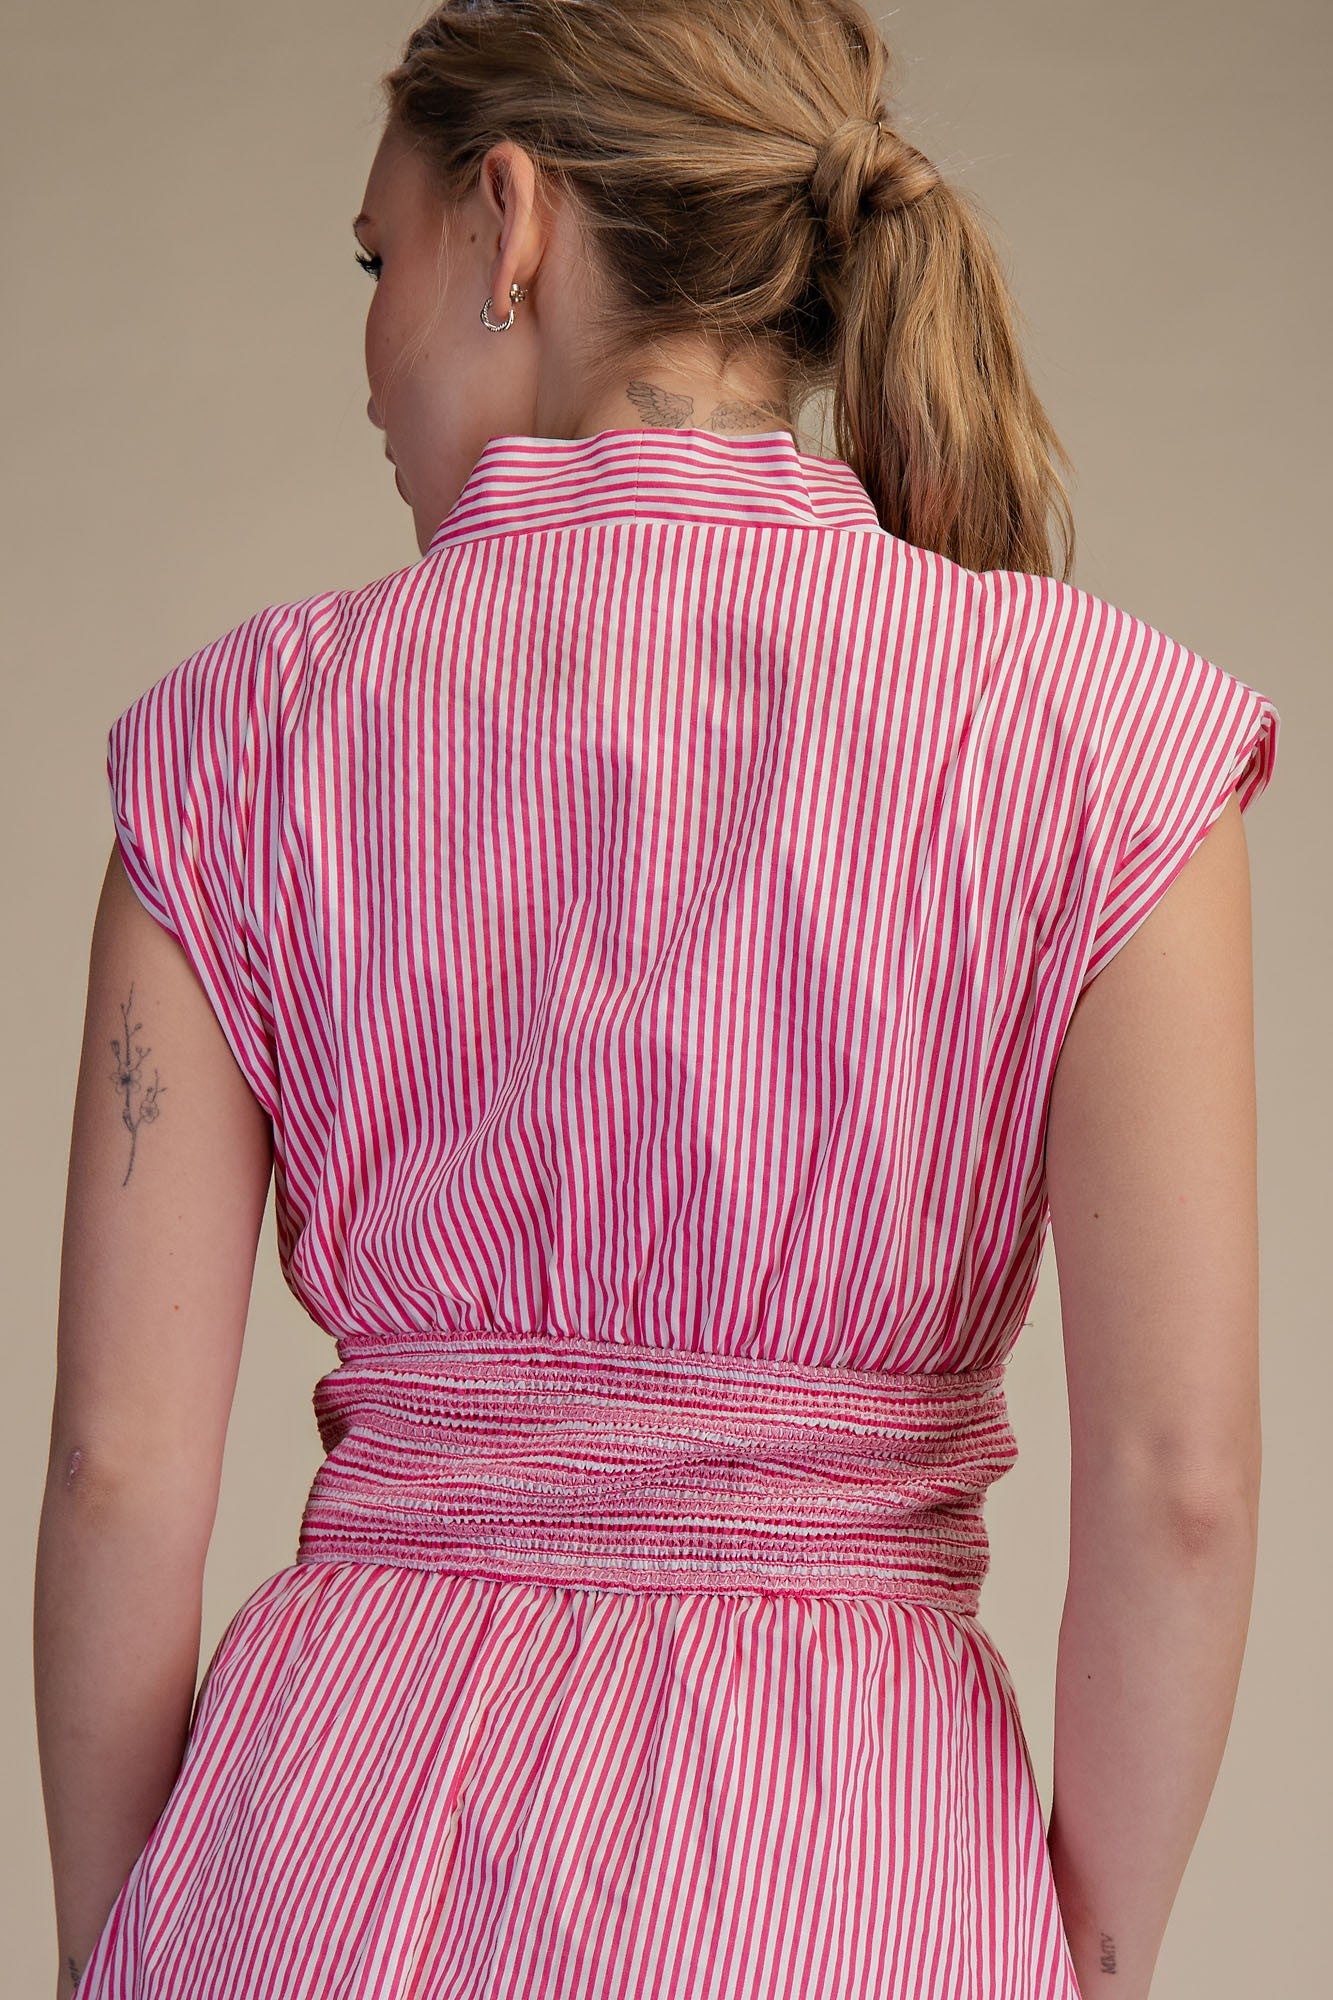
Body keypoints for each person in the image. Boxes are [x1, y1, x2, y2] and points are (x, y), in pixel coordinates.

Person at [35, 3, 1279, 1997]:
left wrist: (122, 1945)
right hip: (863, 1868)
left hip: (317, 1860)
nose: (366, 347)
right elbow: (1181, 1491)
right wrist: (1081, 1963)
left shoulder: (233, 747)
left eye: (381, 255)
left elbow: (116, 1470)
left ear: (511, 221)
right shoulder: (1103, 743)